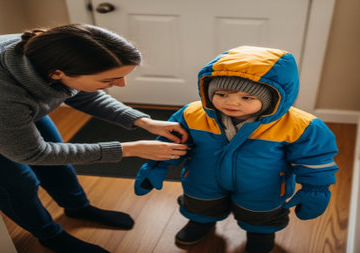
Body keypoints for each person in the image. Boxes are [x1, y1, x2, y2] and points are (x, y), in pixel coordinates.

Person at [0, 24, 189, 253]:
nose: (121, 85)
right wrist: (130, 149)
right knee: (18, 185)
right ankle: (50, 236)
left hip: (17, 107)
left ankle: (78, 208)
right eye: (109, 80)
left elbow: (82, 93)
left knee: (59, 162)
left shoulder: (49, 53)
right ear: (57, 73)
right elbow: (32, 154)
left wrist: (143, 121)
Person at [134, 46, 339, 253]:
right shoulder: (192, 114)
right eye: (222, 94)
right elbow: (171, 142)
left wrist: (316, 189)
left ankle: (261, 233)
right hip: (203, 176)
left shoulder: (301, 126)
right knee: (200, 202)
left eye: (247, 98)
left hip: (264, 184)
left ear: (273, 99)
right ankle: (200, 222)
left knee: (261, 212)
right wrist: (156, 166)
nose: (231, 102)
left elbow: (315, 160)